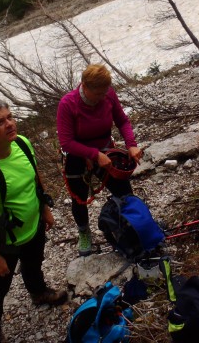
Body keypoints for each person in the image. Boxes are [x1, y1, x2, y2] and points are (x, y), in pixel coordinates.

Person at [0, 99, 67, 343]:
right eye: (0, 122)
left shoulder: (22, 144)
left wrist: (44, 209)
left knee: (33, 263)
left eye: (9, 117)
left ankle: (38, 292)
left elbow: (34, 177)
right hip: (2, 242)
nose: (9, 124)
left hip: (32, 226)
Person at [56, 64, 143, 256]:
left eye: (105, 92)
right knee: (79, 198)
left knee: (124, 190)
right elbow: (67, 142)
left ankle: (131, 223)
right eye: (98, 94)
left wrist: (131, 144)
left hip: (105, 149)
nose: (103, 97)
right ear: (84, 86)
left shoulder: (108, 94)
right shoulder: (68, 104)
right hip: (77, 154)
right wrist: (94, 155)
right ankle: (84, 231)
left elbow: (122, 120)